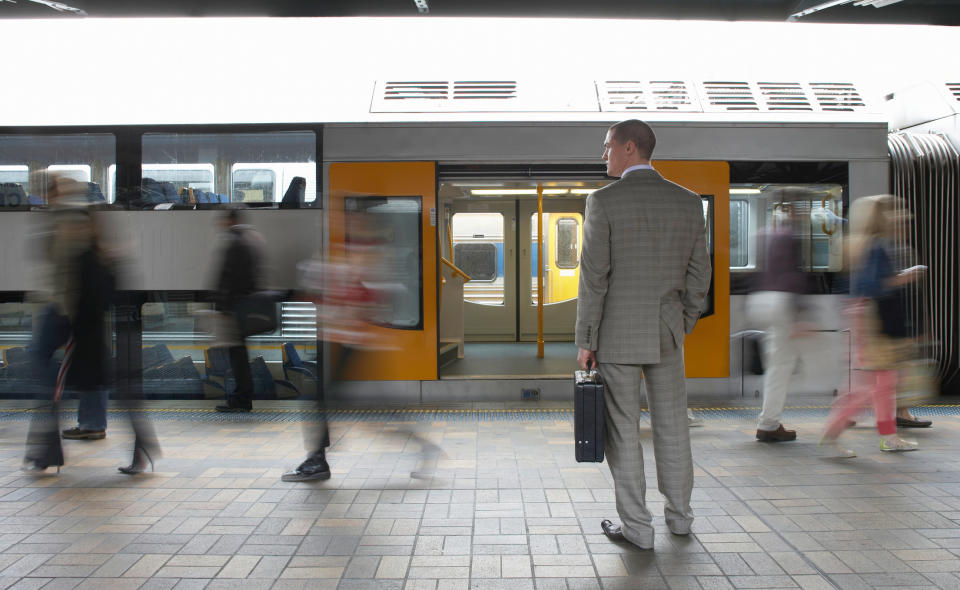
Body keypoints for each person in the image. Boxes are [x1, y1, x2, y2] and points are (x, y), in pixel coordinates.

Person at [576, 119, 711, 550]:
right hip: (666, 333)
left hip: (615, 336)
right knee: (673, 427)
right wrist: (681, 322)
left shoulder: (603, 202)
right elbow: (699, 277)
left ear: (629, 148)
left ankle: (637, 528)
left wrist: (586, 340)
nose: (604, 155)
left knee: (623, 429)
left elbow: (594, 278)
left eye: (607, 146)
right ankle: (680, 519)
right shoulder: (688, 202)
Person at [821, 195, 922, 454]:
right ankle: (832, 433)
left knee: (885, 382)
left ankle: (889, 436)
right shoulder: (875, 246)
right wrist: (905, 277)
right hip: (873, 320)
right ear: (878, 217)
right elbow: (875, 286)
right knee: (867, 386)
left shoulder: (859, 245)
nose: (897, 216)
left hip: (867, 317)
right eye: (890, 211)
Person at [746, 203, 811, 442]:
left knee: (777, 362)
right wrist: (800, 315)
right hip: (781, 301)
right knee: (781, 367)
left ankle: (770, 420)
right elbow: (792, 277)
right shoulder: (792, 237)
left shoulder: (765, 234)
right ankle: (769, 424)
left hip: (760, 300)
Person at [213, 207, 266, 413]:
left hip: (234, 308)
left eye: (223, 221)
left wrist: (222, 306)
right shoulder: (252, 239)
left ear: (230, 220)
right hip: (245, 305)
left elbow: (227, 277)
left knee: (237, 356)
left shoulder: (235, 242)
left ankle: (242, 399)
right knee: (239, 355)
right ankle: (242, 397)